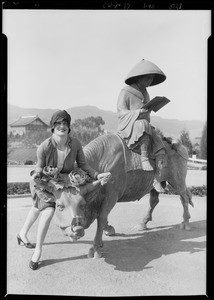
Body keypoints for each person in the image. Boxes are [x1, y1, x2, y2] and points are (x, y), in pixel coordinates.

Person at [17, 110, 108, 270]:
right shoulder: (44, 147)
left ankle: (22, 233)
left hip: (66, 182)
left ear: (69, 127)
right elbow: (39, 166)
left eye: (65, 124)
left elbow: (83, 165)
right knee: (47, 211)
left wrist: (97, 174)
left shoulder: (76, 144)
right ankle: (38, 251)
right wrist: (38, 174)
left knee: (38, 208)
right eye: (58, 124)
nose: (62, 126)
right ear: (52, 127)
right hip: (45, 181)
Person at [117, 59, 167, 191]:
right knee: (143, 124)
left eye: (151, 79)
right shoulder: (126, 92)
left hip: (143, 124)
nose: (150, 81)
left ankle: (157, 177)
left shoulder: (146, 93)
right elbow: (121, 112)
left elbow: (146, 116)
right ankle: (144, 158)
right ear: (140, 77)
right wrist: (139, 112)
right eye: (148, 78)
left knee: (160, 146)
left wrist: (148, 110)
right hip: (129, 125)